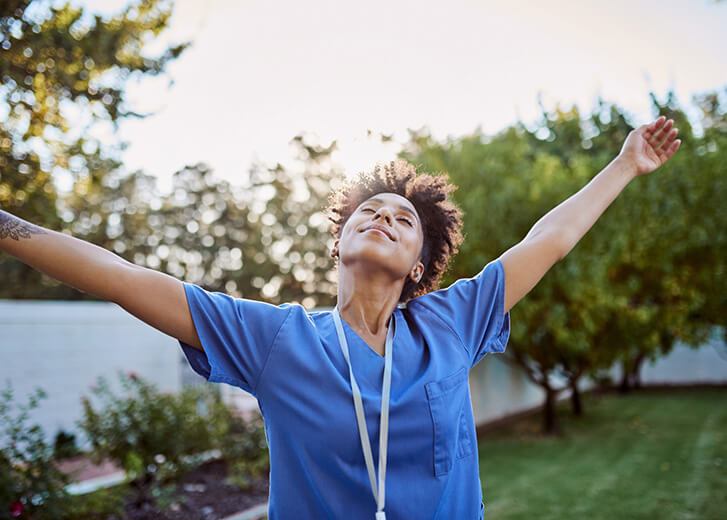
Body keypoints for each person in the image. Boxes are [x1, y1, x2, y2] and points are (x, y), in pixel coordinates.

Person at [0, 116, 681, 519]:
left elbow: (548, 240)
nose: (384, 216)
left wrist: (624, 165)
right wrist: (6, 228)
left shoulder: (452, 321)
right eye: (369, 211)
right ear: (339, 243)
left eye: (403, 219)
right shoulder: (273, 340)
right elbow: (123, 278)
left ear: (418, 264)